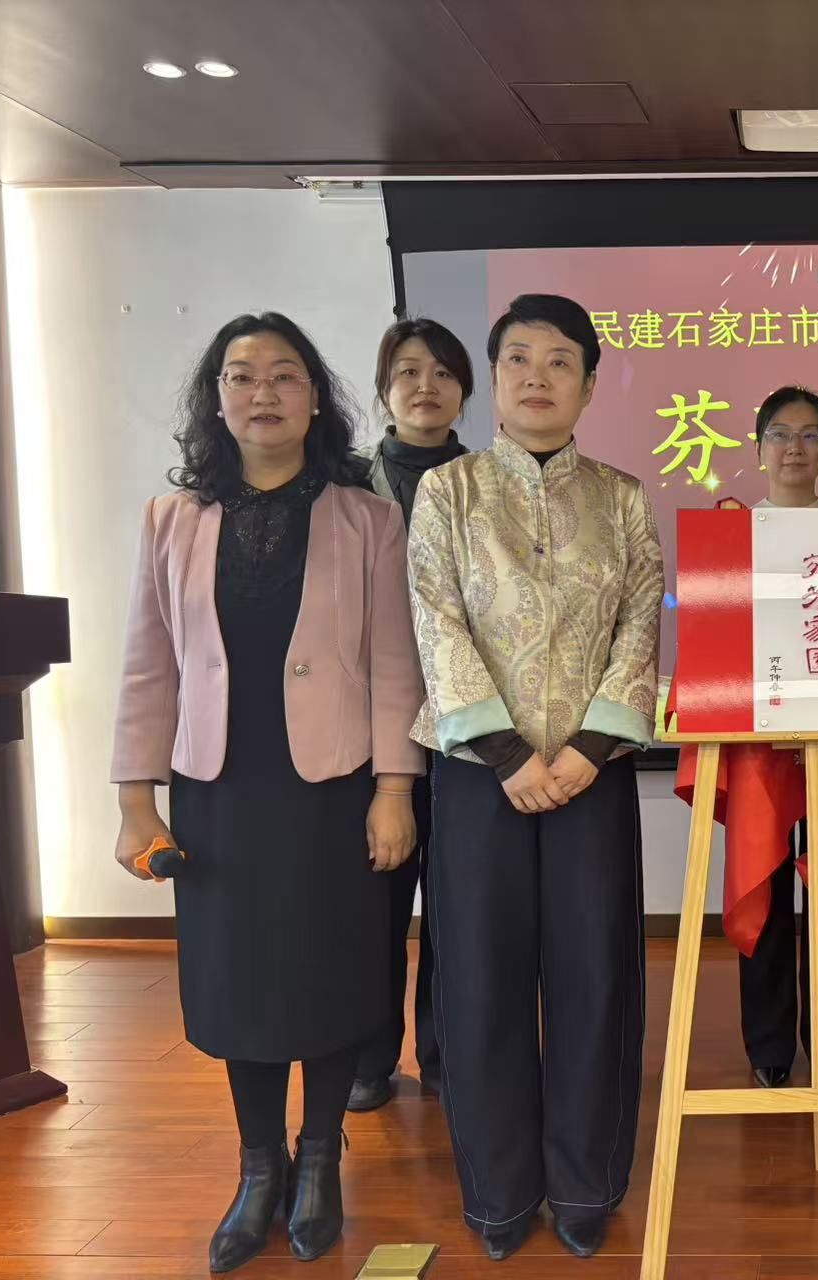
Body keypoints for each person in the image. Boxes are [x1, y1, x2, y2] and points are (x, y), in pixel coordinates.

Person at [110, 313, 424, 1273]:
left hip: (330, 790)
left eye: (284, 376)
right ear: (217, 400)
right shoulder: (173, 519)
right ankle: (258, 1171)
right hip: (220, 791)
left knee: (328, 974)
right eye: (242, 376)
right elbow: (147, 665)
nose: (263, 392)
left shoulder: (366, 516)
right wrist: (134, 799)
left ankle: (319, 1160)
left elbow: (392, 666)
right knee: (241, 984)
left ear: (314, 398)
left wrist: (394, 788)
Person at [408, 294, 663, 1261]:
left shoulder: (625, 496)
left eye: (561, 362)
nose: (537, 377)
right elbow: (437, 620)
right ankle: (501, 1192)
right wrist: (509, 757)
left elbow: (642, 621)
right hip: (481, 779)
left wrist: (584, 754)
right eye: (518, 358)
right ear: (493, 380)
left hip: (589, 777)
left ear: (590, 385)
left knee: (597, 981)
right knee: (478, 986)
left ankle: (587, 1182)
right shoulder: (449, 494)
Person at [347, 318, 473, 1112]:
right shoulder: (344, 485)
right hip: (367, 731)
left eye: (442, 372)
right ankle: (368, 1055)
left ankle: (446, 1050)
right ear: (385, 389)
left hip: (467, 729)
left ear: (465, 388)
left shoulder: (489, 480)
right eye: (407, 372)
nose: (425, 386)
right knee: (374, 905)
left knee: (459, 906)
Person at [743, 386, 818, 1086]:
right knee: (764, 890)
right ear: (757, 449)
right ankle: (768, 1050)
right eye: (779, 434)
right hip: (755, 744)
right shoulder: (733, 534)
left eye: (809, 434)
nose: (793, 448)